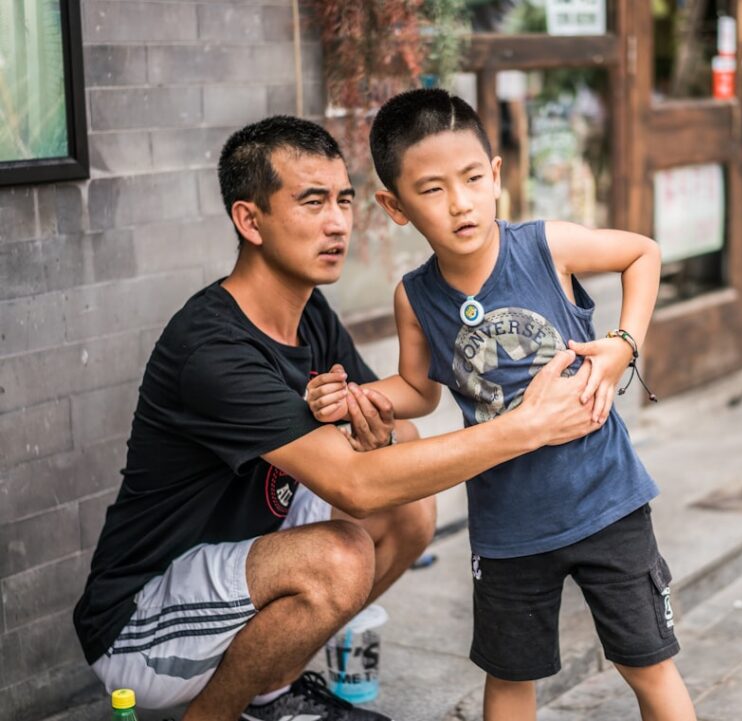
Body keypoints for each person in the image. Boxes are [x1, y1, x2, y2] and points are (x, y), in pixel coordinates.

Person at [72, 115, 604, 721]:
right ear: (250, 220)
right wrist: (521, 428)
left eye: (344, 201)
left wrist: (373, 433)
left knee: (408, 511)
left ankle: (269, 692)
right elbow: (354, 483)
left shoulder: (309, 313)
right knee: (342, 556)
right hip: (141, 622)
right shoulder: (211, 348)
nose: (337, 223)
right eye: (312, 202)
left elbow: (397, 431)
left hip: (240, 562)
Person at [305, 89, 697, 721]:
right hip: (509, 527)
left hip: (607, 502)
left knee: (645, 663)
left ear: (495, 176)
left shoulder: (547, 247)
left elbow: (642, 253)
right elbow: (419, 391)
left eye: (470, 179)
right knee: (510, 678)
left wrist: (624, 344)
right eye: (431, 189)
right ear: (395, 206)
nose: (459, 203)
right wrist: (358, 395)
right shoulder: (415, 298)